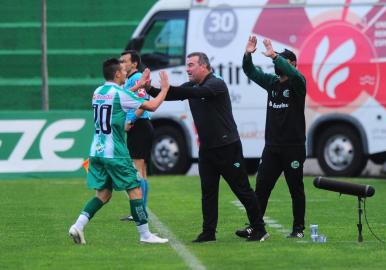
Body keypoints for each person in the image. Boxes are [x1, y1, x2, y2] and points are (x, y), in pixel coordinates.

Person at [147, 52, 268, 242]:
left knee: (242, 190)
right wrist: (151, 88)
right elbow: (173, 93)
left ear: (203, 66)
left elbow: (194, 93)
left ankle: (259, 229)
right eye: (187, 65)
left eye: (191, 65)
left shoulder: (216, 84)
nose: (187, 69)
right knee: (208, 192)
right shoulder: (192, 86)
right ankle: (209, 232)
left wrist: (168, 89)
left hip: (227, 147)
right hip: (207, 149)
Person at [68, 58, 170, 244]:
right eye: (123, 71)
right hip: (114, 152)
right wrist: (164, 89)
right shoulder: (120, 94)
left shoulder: (98, 91)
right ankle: (145, 235)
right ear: (117, 74)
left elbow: (119, 95)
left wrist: (137, 85)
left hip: (96, 152)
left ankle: (78, 226)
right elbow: (152, 106)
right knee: (135, 189)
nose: (125, 73)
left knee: (104, 195)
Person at [236, 36, 307, 238]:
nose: (277, 64)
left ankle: (298, 229)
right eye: (276, 61)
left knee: (296, 188)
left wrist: (275, 55)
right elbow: (250, 71)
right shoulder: (272, 83)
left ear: (291, 64)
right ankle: (255, 226)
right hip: (272, 147)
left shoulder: (298, 84)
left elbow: (295, 75)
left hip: (293, 147)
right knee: (261, 188)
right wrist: (247, 54)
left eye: (282, 61)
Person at [119, 50, 153, 221]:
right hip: (141, 126)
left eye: (124, 61)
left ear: (134, 63)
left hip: (139, 125)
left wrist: (130, 120)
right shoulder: (130, 80)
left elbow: (143, 103)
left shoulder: (136, 78)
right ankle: (142, 209)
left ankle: (139, 211)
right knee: (142, 171)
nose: (121, 64)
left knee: (137, 170)